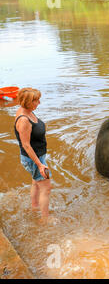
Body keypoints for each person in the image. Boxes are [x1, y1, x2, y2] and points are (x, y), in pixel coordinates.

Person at [14, 88, 52, 224]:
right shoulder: (24, 120)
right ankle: (45, 219)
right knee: (46, 189)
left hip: (36, 157)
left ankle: (35, 207)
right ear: (27, 102)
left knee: (36, 182)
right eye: (35, 100)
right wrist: (40, 164)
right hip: (33, 159)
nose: (39, 102)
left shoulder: (27, 111)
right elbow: (26, 145)